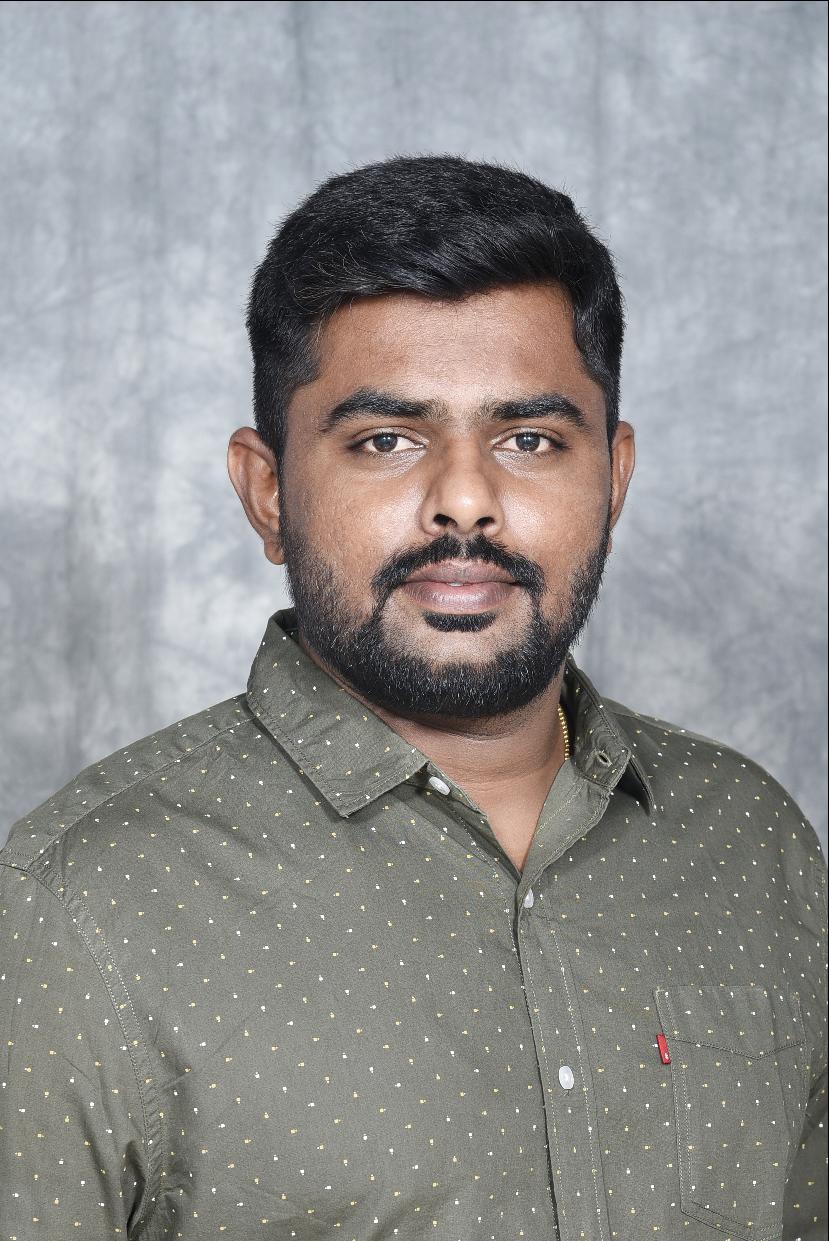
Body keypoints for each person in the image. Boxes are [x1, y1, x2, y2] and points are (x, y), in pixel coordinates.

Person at [1, 155, 825, 1241]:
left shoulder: (751, 843)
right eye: (386, 440)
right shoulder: (74, 906)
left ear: (612, 479)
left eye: (529, 439)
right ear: (268, 491)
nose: (465, 501)